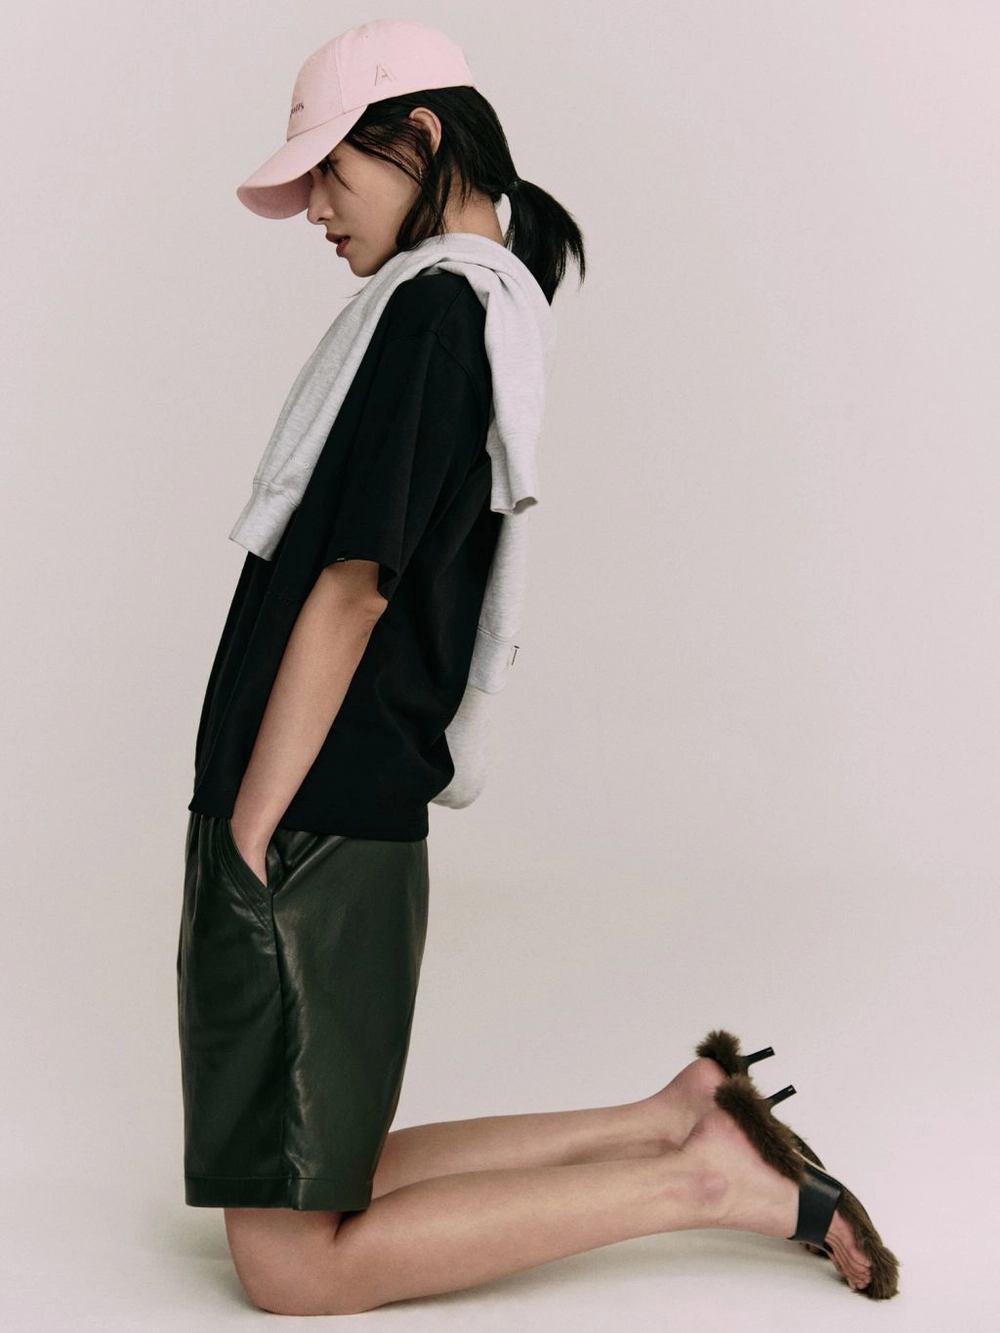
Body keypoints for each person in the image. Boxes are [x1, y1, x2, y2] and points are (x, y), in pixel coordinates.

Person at [175, 18, 898, 1316]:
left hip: (311, 805)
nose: (316, 209)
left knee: (289, 1263)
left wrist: (248, 830)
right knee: (331, 1177)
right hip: (333, 792)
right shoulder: (471, 307)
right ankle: (677, 1119)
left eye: (331, 169)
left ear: (422, 137)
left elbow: (354, 586)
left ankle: (707, 1180)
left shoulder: (436, 315)